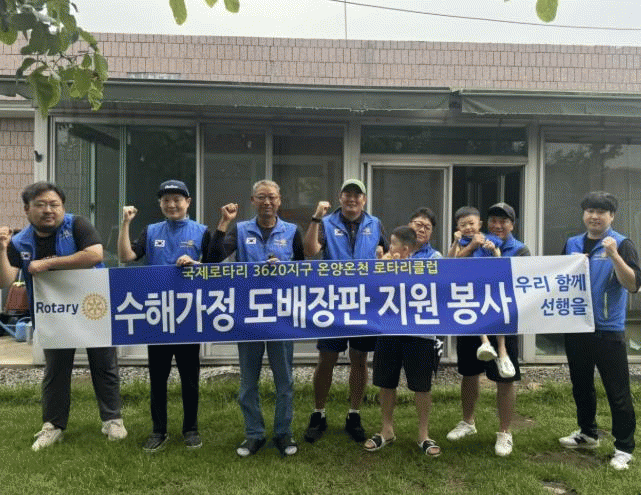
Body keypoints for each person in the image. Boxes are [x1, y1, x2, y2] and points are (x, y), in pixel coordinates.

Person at [0, 181, 127, 451]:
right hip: (53, 314)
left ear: (62, 207)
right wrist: (2, 249)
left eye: (54, 204)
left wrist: (47, 263)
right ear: (27, 209)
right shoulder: (20, 241)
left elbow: (94, 255)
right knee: (56, 371)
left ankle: (112, 420)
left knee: (104, 365)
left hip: (93, 309)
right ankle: (53, 425)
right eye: (41, 205)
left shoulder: (78, 225)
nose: (48, 210)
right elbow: (5, 280)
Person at [118, 179, 226, 452]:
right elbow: (126, 256)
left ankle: (191, 429)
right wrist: (125, 223)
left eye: (177, 199)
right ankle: (158, 430)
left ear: (188, 202)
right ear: (160, 204)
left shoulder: (201, 231)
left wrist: (195, 263)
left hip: (188, 314)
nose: (172, 204)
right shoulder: (151, 231)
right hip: (158, 314)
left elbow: (214, 267)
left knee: (190, 377)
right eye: (166, 200)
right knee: (158, 377)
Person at [215, 179, 302, 458]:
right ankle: (254, 434)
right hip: (249, 316)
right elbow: (215, 257)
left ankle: (283, 433)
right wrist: (224, 223)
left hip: (281, 317)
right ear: (253, 201)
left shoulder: (292, 231)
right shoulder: (240, 230)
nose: (267, 202)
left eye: (272, 197)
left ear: (280, 200)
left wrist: (284, 268)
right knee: (248, 382)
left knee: (284, 381)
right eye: (261, 197)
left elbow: (304, 273)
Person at [303, 179, 387, 444]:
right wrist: (316, 218)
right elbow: (310, 251)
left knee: (359, 359)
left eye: (357, 195)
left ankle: (354, 413)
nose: (352, 199)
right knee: (326, 359)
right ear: (340, 198)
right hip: (333, 302)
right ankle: (319, 413)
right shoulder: (326, 223)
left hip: (364, 303)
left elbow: (387, 254)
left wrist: (384, 258)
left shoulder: (375, 224)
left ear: (364, 199)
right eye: (347, 194)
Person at [559, 191, 639, 471]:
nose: (594, 216)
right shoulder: (572, 243)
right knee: (581, 384)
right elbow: (558, 276)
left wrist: (614, 255)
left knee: (617, 390)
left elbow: (633, 285)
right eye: (590, 211)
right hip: (577, 325)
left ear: (611, 216)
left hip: (608, 329)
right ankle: (587, 432)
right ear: (584, 214)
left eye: (601, 212)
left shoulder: (622, 243)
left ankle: (624, 447)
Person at [446, 203, 528, 457]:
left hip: (502, 318)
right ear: (486, 223)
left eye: (504, 221)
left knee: (505, 378)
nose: (498, 225)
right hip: (470, 313)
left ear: (512, 224)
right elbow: (451, 268)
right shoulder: (473, 242)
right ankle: (468, 422)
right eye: (494, 220)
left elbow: (523, 282)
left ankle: (505, 432)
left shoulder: (520, 249)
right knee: (469, 372)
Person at [364, 226, 440, 456]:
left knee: (422, 385)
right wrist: (382, 268)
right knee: (386, 382)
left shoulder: (430, 262)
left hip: (420, 332)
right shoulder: (384, 265)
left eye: (393, 244)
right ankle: (386, 430)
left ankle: (423, 435)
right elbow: (370, 290)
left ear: (405, 249)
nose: (389, 247)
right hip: (388, 329)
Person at [447, 206, 514, 379]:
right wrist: (466, 244)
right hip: (472, 287)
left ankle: (502, 351)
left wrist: (493, 249)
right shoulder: (460, 242)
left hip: (490, 285)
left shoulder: (490, 238)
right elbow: (451, 261)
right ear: (457, 227)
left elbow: (500, 260)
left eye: (471, 223)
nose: (468, 227)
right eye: (463, 225)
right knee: (477, 312)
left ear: (480, 224)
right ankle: (485, 342)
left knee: (499, 315)